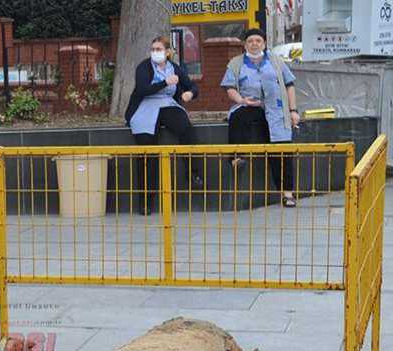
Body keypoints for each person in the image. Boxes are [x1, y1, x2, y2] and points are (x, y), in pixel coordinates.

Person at [221, 27, 300, 207]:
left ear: (264, 43)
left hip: (276, 109)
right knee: (237, 117)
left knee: (281, 150)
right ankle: (235, 157)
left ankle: (287, 193)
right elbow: (229, 88)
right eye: (250, 41)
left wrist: (293, 110)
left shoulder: (276, 61)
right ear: (245, 44)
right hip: (249, 104)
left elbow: (289, 85)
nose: (254, 44)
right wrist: (241, 100)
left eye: (258, 41)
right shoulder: (236, 63)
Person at [124, 36, 203, 214]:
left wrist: (190, 94)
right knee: (147, 150)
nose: (155, 52)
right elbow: (142, 89)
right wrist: (164, 82)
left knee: (186, 130)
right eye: (153, 49)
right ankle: (146, 200)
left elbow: (192, 86)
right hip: (144, 106)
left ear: (168, 52)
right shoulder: (143, 67)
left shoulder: (175, 68)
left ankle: (194, 172)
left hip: (167, 104)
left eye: (159, 49)